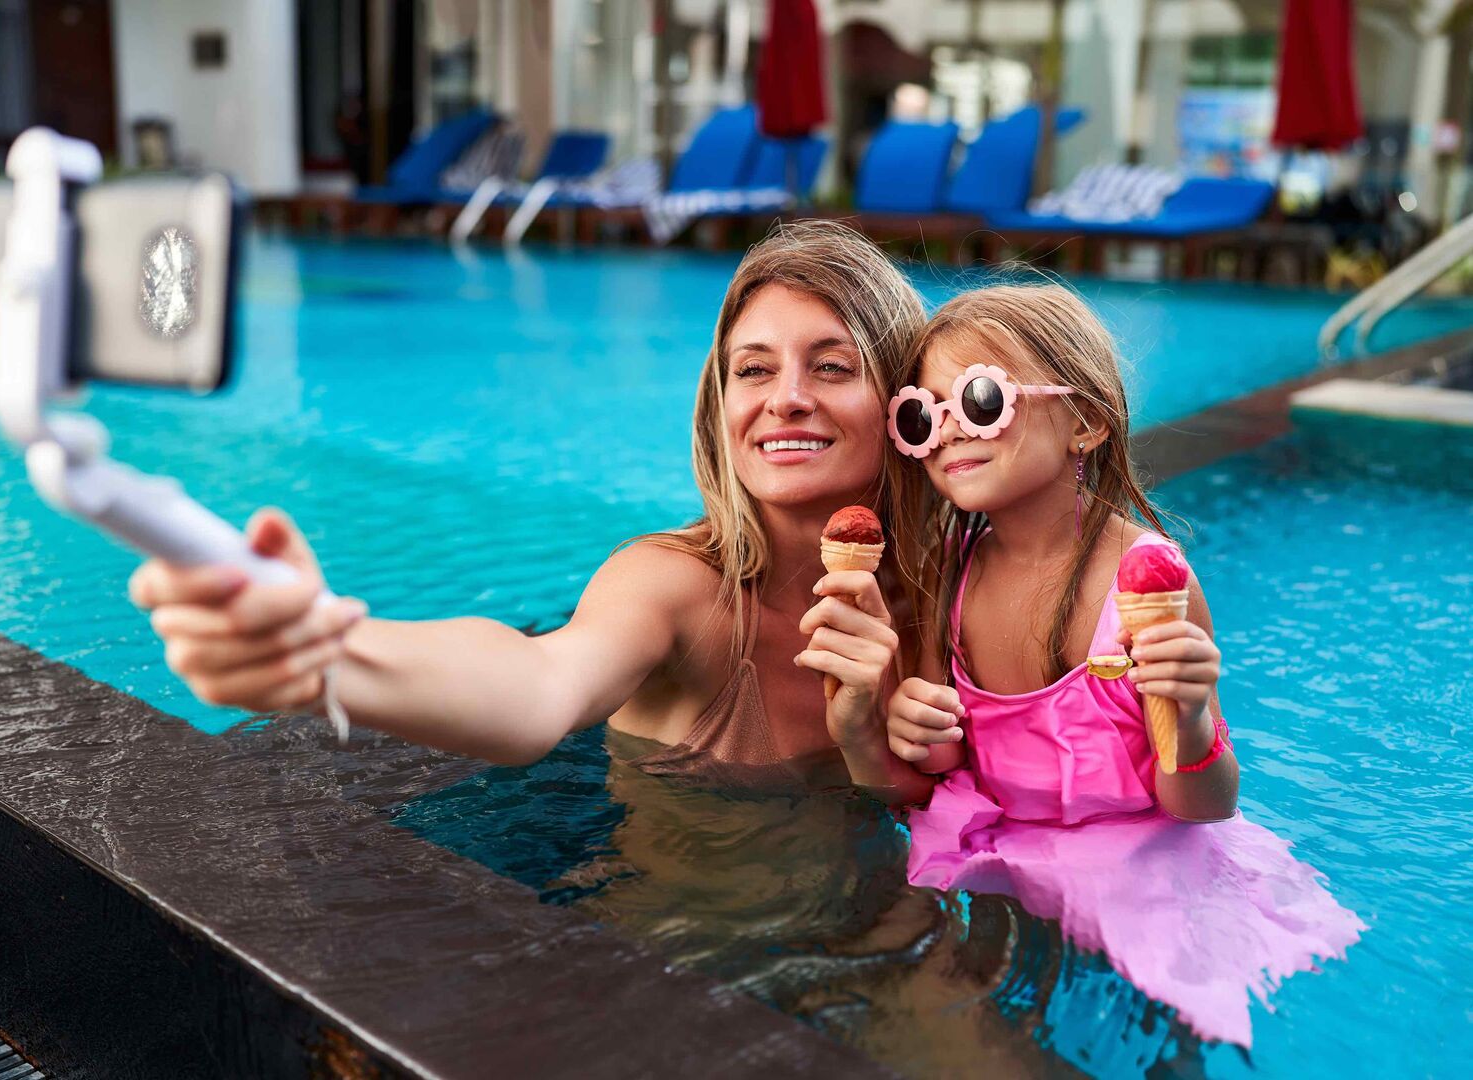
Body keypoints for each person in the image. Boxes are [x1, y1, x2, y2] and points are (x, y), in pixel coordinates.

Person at [126, 219, 932, 804]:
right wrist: (330, 653)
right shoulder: (672, 586)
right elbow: (539, 684)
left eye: (832, 367)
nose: (786, 399)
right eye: (752, 370)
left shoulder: (941, 607)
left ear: (905, 407)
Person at [879, 281, 1364, 1046]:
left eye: (978, 400)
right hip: (1007, 844)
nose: (947, 433)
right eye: (921, 414)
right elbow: (948, 754)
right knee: (977, 1023)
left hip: (1145, 865)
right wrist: (914, 722)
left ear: (1086, 422)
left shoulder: (1146, 582)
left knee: (1163, 1042)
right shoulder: (950, 568)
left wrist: (1194, 711)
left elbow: (1200, 804)